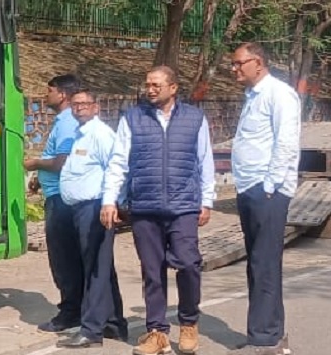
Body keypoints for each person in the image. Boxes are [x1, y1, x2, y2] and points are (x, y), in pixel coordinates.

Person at [101, 66, 214, 355]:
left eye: (156, 84)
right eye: (147, 84)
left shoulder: (194, 119)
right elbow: (118, 162)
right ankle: (157, 332)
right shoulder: (132, 118)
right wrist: (109, 200)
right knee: (152, 271)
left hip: (184, 206)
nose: (150, 89)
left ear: (173, 88)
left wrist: (207, 200)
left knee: (188, 264)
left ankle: (188, 323)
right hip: (145, 206)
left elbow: (205, 161)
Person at [227, 43, 301, 355]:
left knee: (266, 262)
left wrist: (270, 185)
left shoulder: (279, 94)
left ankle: (270, 337)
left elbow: (285, 141)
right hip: (249, 188)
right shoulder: (253, 95)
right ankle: (260, 332)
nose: (234, 69)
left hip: (266, 190)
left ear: (258, 62)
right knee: (256, 263)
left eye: (238, 63)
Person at [56, 89, 128, 348]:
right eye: (75, 105)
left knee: (96, 269)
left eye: (85, 104)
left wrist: (112, 203)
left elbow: (118, 167)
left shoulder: (100, 134)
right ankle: (114, 323)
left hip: (96, 207)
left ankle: (92, 329)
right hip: (80, 209)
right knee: (100, 267)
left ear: (96, 107)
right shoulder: (80, 134)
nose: (79, 108)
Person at [23, 73, 84, 333]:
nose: (45, 95)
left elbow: (62, 162)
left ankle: (71, 312)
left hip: (62, 199)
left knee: (64, 259)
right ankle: (76, 308)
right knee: (66, 257)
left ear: (63, 95)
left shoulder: (69, 121)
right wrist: (40, 176)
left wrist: (34, 164)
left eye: (49, 91)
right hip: (56, 194)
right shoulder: (63, 121)